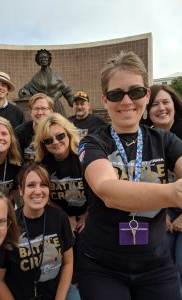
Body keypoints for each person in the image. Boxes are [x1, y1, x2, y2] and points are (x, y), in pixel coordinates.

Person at [77, 51, 182, 300]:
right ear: (105, 99)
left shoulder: (165, 140)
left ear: (146, 95)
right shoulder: (92, 142)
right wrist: (173, 194)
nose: (126, 101)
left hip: (155, 264)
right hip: (101, 266)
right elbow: (107, 190)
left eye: (135, 91)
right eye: (116, 94)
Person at [0, 162, 74, 300]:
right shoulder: (7, 224)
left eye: (43, 185)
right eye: (31, 185)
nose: (38, 191)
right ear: (21, 190)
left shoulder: (60, 217)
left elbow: (68, 263)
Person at [34, 113, 88, 300]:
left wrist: (88, 215)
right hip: (62, 215)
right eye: (48, 140)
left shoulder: (85, 156)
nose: (55, 142)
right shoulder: (43, 165)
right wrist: (65, 217)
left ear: (69, 133)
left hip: (91, 212)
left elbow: (102, 190)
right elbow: (44, 196)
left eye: (60, 136)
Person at [143, 84, 182, 295]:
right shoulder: (143, 140)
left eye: (166, 102)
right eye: (154, 104)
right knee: (159, 261)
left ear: (174, 105)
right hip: (160, 210)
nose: (161, 108)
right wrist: (161, 211)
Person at [18, 49, 74, 116]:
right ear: (38, 61)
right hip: (42, 107)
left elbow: (67, 90)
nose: (43, 59)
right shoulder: (36, 78)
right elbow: (26, 88)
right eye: (41, 58)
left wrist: (73, 102)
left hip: (55, 106)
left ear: (49, 59)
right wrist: (23, 91)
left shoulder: (56, 77)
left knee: (58, 124)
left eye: (45, 57)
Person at [14, 93, 53, 161]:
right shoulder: (20, 132)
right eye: (36, 108)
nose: (40, 112)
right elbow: (17, 160)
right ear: (30, 111)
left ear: (51, 111)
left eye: (44, 108)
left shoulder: (58, 131)